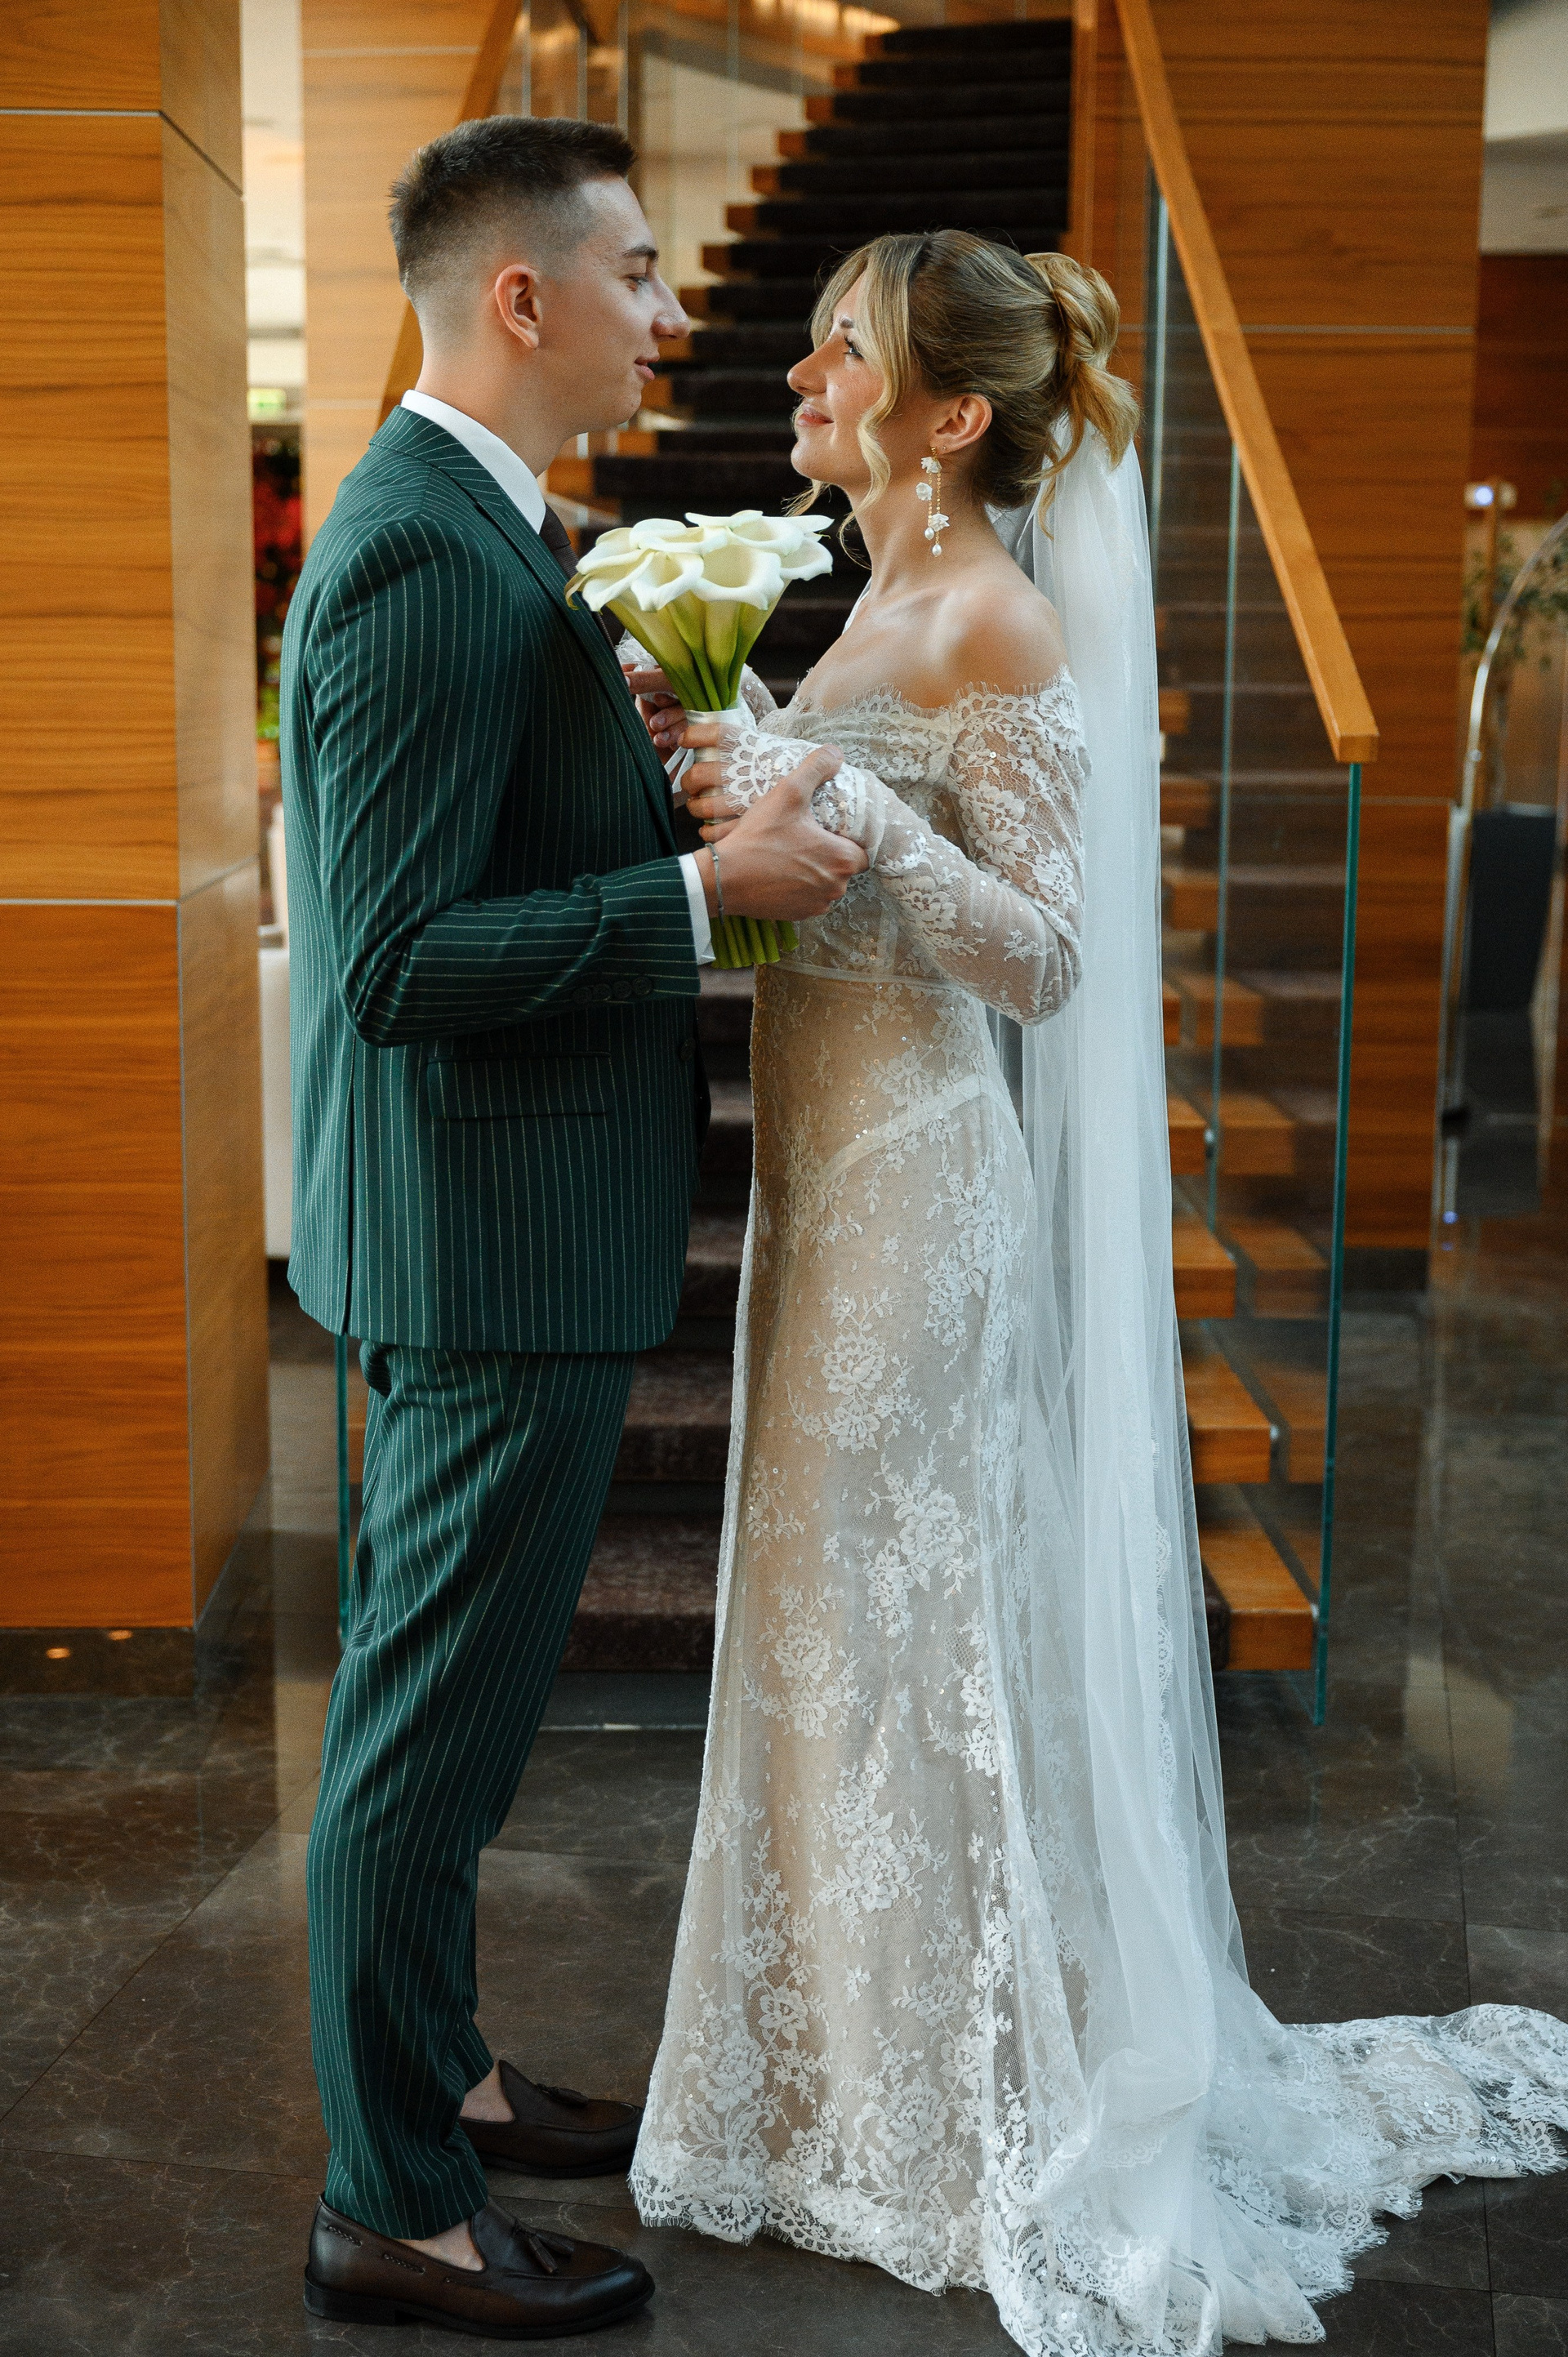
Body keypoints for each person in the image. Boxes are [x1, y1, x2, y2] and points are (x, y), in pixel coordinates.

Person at [630, 229, 1568, 2353]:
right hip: (816, 1185)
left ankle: (958, 2120)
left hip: (920, 1189)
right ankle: (834, 2102)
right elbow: (830, 881)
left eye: (840, 350)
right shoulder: (865, 602)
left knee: (911, 1641)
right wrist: (737, 741)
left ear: (951, 415)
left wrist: (862, 820)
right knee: (822, 1638)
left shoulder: (998, 610)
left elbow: (1049, 957)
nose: (801, 376)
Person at [280, 114, 863, 2337]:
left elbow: (479, 849)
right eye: (636, 270)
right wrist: (702, 894)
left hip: (497, 1228)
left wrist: (643, 766)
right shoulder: (423, 556)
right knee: (420, 1748)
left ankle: (436, 2068)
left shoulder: (496, 533)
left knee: (444, 1728)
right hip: (488, 1246)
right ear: (519, 297)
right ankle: (395, 2207)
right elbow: (392, 964)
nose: (668, 309)